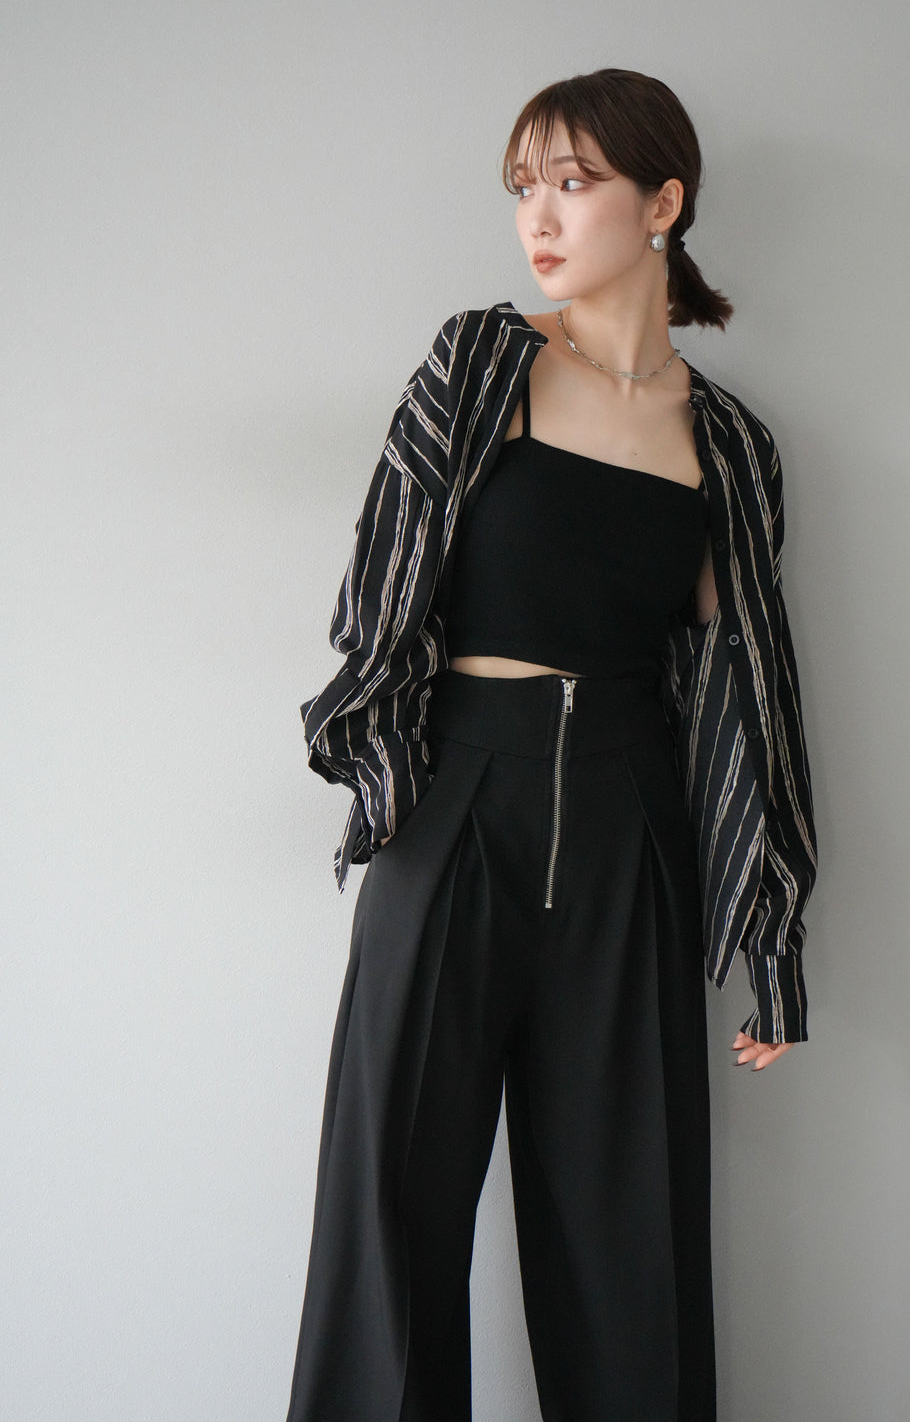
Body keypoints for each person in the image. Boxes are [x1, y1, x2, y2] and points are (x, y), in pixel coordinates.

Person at [286, 68, 817, 1422]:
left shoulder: (728, 446)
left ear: (664, 203)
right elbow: (381, 585)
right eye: (524, 186)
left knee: (630, 1241)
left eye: (575, 184)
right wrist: (390, 786)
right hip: (459, 802)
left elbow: (748, 690)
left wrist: (770, 931)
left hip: (631, 830)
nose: (540, 216)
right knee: (390, 1223)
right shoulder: (482, 365)